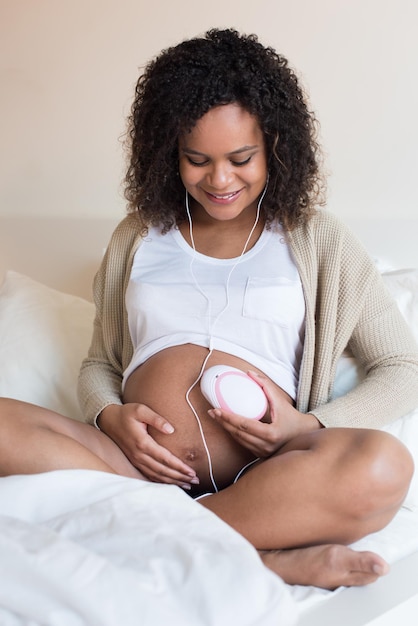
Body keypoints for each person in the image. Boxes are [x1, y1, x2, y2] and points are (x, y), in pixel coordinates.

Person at [0, 28, 417, 591]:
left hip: (263, 485)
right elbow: (100, 362)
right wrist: (109, 415)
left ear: (277, 146)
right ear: (167, 152)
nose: (220, 180)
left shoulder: (320, 240)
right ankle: (262, 560)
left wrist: (311, 426)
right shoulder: (138, 237)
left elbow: (404, 366)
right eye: (197, 160)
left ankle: (171, 535)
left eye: (241, 158)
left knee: (383, 464)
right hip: (130, 473)